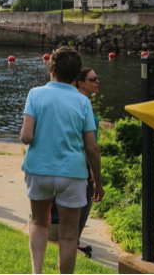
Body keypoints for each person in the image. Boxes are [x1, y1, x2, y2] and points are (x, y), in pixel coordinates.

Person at [20, 47, 103, 275]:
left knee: (39, 223)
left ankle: (37, 273)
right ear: (77, 76)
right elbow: (92, 147)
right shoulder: (83, 102)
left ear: (52, 70)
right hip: (73, 173)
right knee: (68, 233)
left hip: (39, 170)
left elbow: (26, 136)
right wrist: (98, 181)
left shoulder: (35, 94)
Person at [50, 67, 102, 257]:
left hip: (77, 157)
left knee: (81, 200)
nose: (97, 81)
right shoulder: (81, 103)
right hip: (82, 158)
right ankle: (73, 241)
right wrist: (92, 170)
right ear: (80, 82)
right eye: (92, 78)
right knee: (85, 199)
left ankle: (72, 239)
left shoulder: (80, 102)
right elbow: (84, 140)